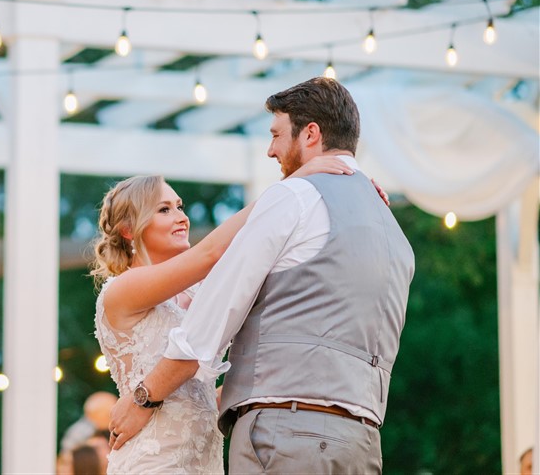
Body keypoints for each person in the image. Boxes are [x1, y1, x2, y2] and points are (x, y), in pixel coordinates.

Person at [110, 77, 414, 474]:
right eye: (163, 209)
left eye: (275, 135)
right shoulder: (390, 228)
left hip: (283, 436)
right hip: (361, 438)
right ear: (128, 230)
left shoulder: (294, 198)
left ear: (310, 133)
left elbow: (212, 308)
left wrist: (144, 397)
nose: (271, 150)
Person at [92, 151, 353, 474]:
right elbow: (212, 252)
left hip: (206, 463)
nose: (181, 217)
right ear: (129, 230)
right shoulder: (122, 291)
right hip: (152, 463)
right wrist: (291, 185)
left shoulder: (198, 293)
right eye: (164, 210)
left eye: (180, 206)